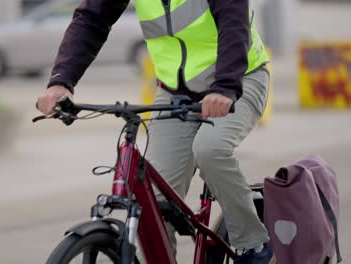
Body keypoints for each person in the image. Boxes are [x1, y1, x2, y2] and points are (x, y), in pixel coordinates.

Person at [37, 0, 273, 263]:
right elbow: (91, 19)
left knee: (210, 149)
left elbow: (233, 21)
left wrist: (225, 86)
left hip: (239, 79)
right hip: (176, 91)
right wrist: (61, 81)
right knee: (156, 203)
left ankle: (252, 244)